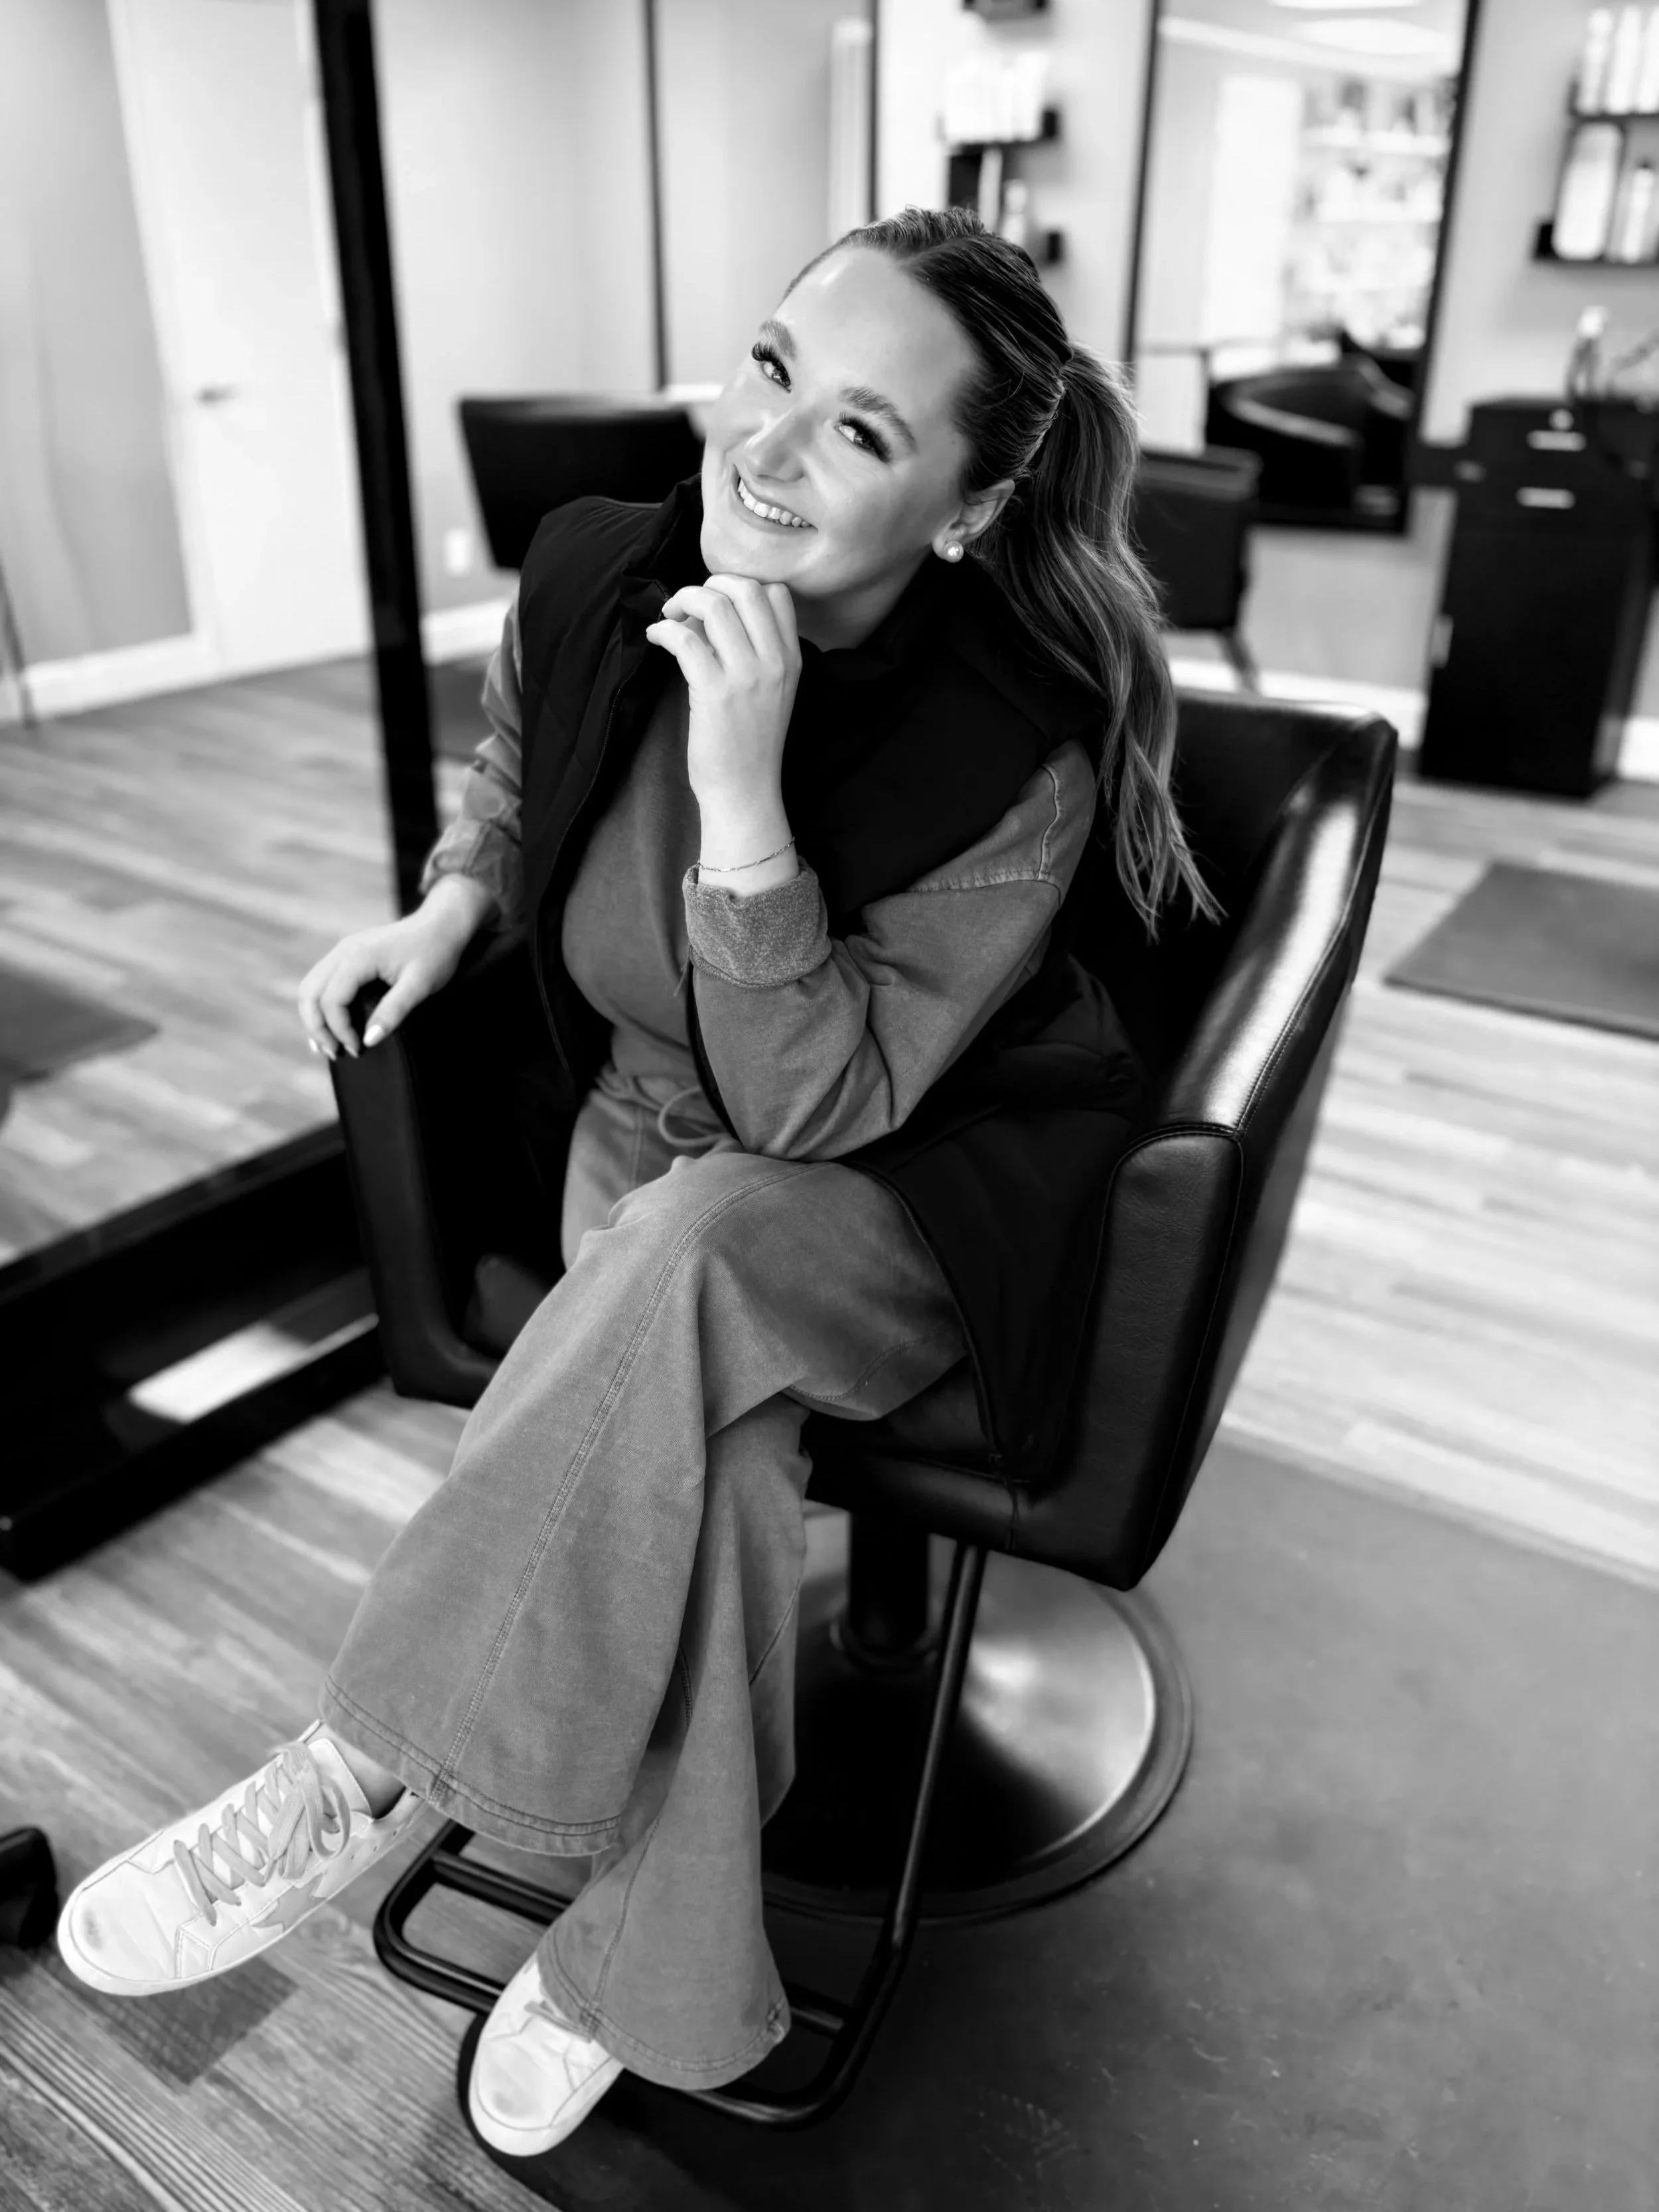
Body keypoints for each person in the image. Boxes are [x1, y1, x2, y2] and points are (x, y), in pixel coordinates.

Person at [56, 208, 1212, 2158]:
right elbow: (526, 755)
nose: (761, 453)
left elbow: (819, 1108)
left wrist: (749, 788)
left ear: (963, 500)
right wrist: (449, 902)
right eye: (769, 368)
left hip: (899, 1192)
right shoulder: (599, 565)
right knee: (718, 1466)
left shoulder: (1014, 740)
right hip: (645, 1153)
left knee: (698, 1245)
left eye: (858, 431)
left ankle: (359, 1766)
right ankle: (650, 1974)